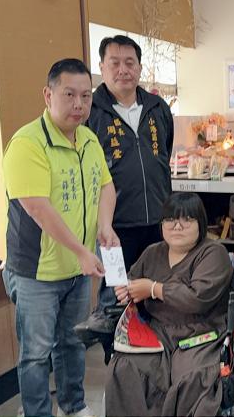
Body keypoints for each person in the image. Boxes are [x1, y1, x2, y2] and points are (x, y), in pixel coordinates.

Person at [1, 58, 119, 417]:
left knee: (71, 343)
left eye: (86, 96)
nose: (79, 104)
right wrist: (82, 251)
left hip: (76, 270)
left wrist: (105, 225)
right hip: (36, 272)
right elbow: (38, 207)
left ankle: (73, 405)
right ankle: (37, 412)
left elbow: (106, 186)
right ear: (48, 94)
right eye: (69, 95)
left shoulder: (88, 139)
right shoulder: (28, 143)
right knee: (36, 353)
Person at [104, 192, 233, 416]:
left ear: (201, 224)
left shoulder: (213, 253)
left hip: (200, 333)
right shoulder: (153, 252)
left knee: (190, 378)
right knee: (125, 366)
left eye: (187, 219)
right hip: (158, 332)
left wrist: (154, 288)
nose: (177, 226)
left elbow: (197, 299)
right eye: (170, 220)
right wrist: (126, 290)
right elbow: (132, 281)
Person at [81, 35, 174, 333]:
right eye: (115, 63)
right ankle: (116, 358)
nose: (123, 70)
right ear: (101, 67)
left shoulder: (157, 108)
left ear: (139, 68)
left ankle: (158, 355)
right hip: (114, 228)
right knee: (116, 301)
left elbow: (164, 154)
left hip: (158, 224)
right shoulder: (90, 112)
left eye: (130, 63)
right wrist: (102, 223)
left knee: (157, 296)